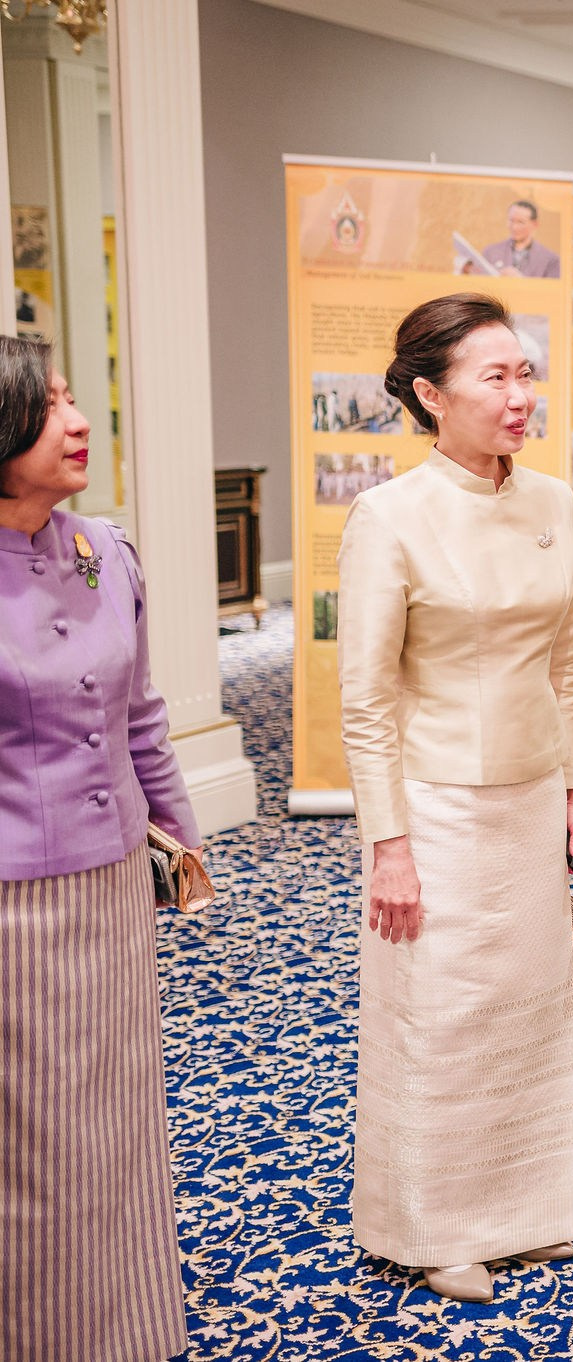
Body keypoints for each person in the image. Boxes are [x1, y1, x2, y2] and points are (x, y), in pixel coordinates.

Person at [339, 293, 573, 1304]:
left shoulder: (552, 502)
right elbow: (364, 701)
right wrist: (387, 846)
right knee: (440, 1020)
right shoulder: (387, 517)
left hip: (531, 796)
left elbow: (570, 664)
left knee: (526, 1014)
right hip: (435, 806)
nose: (520, 396)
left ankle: (525, 1214)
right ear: (429, 395)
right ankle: (437, 1228)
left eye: (524, 373)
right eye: (495, 377)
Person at [0, 337, 200, 1361]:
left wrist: (182, 845)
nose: (77, 423)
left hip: (115, 882)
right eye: (49, 408)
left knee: (117, 1123)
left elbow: (142, 716)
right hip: (15, 907)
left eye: (76, 400)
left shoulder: (102, 550)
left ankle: (123, 1331)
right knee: (35, 1147)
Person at [479, 200, 562, 279]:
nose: (514, 227)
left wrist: (521, 280)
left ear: (535, 224)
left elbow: (552, 291)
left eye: (520, 222)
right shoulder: (490, 252)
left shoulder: (550, 260)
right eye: (511, 221)